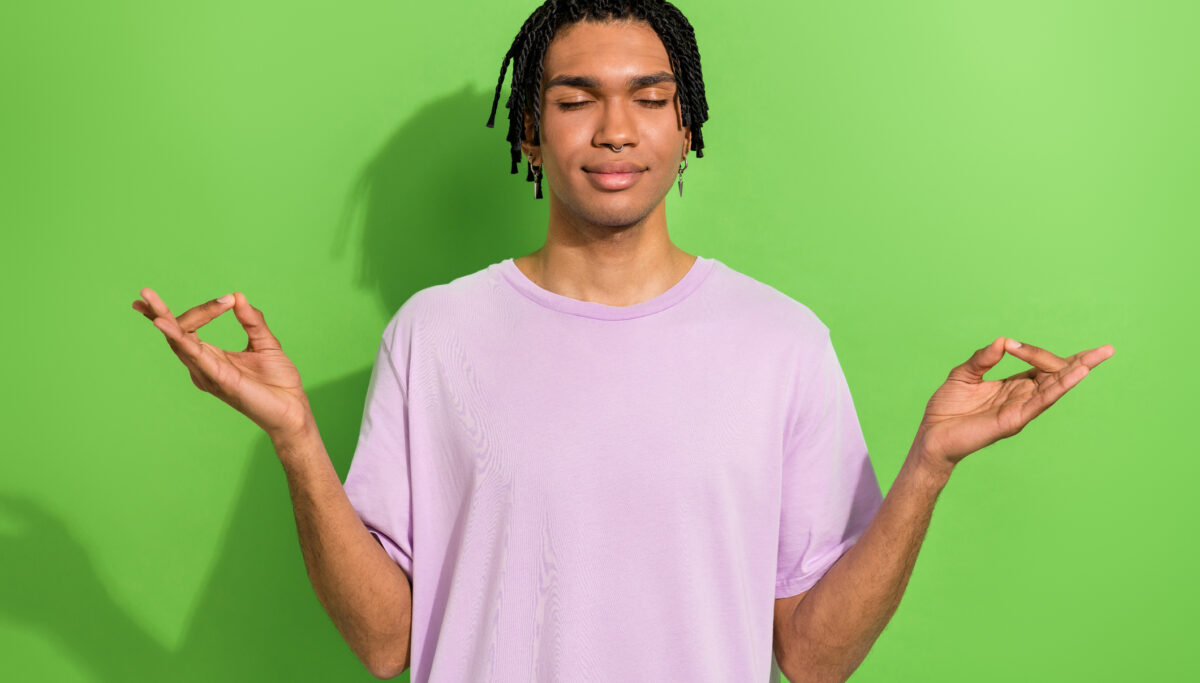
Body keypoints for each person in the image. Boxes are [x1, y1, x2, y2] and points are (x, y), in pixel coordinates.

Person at [131, 1, 1115, 680]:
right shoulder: (434, 333)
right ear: (530, 132)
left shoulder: (781, 341)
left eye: (650, 98)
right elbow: (386, 642)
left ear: (687, 129)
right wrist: (298, 440)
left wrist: (929, 465)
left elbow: (815, 657)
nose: (616, 128)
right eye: (576, 99)